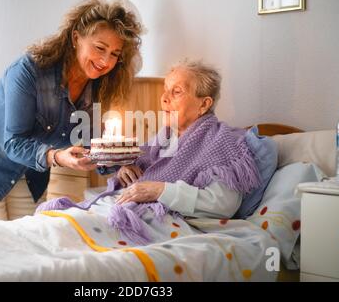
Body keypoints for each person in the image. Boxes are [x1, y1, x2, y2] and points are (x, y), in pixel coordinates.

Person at [0, 0, 143, 221]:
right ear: (76, 37)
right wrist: (58, 157)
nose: (105, 60)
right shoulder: (29, 71)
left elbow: (90, 142)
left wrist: (117, 162)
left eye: (114, 54)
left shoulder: (99, 87)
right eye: (100, 47)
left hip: (32, 174)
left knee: (29, 243)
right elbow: (14, 142)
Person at [36, 59, 261, 244]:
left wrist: (160, 190)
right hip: (126, 210)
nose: (164, 98)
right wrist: (125, 169)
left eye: (176, 92)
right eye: (165, 90)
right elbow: (144, 172)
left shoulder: (223, 142)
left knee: (61, 234)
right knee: (51, 225)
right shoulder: (164, 137)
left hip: (162, 222)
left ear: (204, 104)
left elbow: (224, 205)